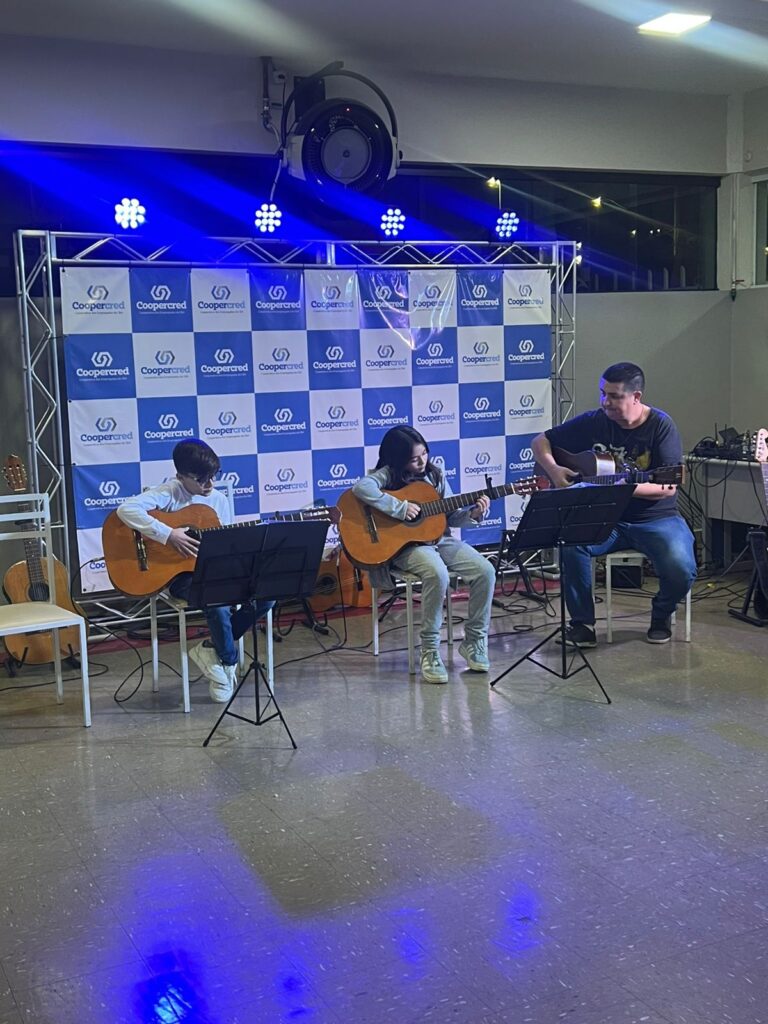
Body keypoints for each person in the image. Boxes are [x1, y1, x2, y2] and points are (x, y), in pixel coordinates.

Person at [531, 361, 697, 646]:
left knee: (681, 568)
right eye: (603, 393)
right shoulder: (594, 421)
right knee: (571, 544)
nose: (605, 402)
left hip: (656, 519)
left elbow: (667, 487)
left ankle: (661, 614)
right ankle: (582, 625)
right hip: (606, 518)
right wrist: (555, 470)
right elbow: (540, 442)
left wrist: (626, 488)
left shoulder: (661, 426)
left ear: (636, 396)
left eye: (614, 396)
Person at [116, 439, 273, 702]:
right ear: (181, 476)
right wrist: (169, 534)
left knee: (268, 595)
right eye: (201, 479)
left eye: (213, 476)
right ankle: (228, 661)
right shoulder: (169, 492)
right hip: (177, 575)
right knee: (218, 601)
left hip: (214, 571)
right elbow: (126, 509)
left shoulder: (219, 500)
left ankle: (211, 649)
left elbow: (227, 544)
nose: (209, 484)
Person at [353, 426, 496, 683]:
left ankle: (474, 641)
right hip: (407, 547)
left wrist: (474, 514)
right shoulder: (388, 475)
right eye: (414, 459)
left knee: (486, 571)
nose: (422, 462)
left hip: (440, 539)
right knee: (437, 573)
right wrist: (399, 508)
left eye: (424, 454)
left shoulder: (435, 475)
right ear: (398, 459)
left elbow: (452, 516)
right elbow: (361, 488)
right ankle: (429, 650)